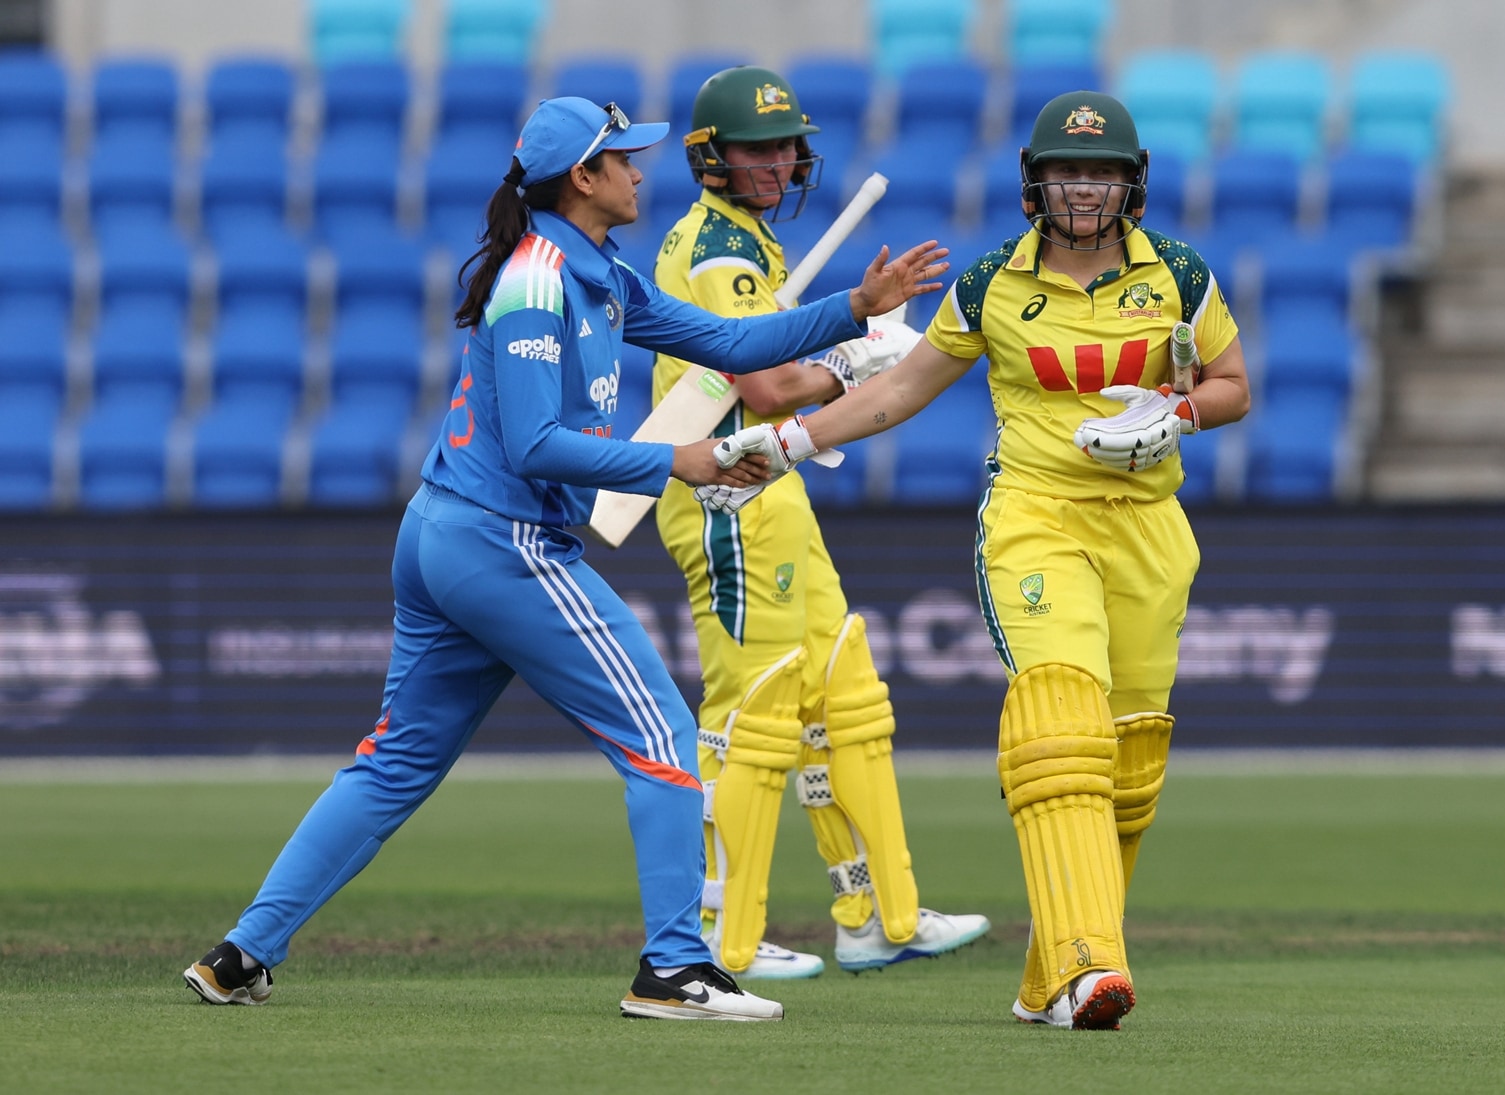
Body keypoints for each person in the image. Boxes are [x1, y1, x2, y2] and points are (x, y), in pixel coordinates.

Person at [180, 96, 948, 1022]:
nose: (639, 171)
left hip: (448, 533)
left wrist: (855, 308)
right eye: (623, 158)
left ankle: (240, 954)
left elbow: (731, 343)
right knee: (661, 738)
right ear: (582, 178)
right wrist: (678, 460)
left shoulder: (598, 270)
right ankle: (675, 969)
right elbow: (537, 444)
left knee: (392, 766)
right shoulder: (537, 284)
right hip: (501, 539)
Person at [697, 91, 1251, 1028]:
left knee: (1127, 760)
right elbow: (903, 389)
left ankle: (1047, 981)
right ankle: (1091, 968)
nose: (1085, 189)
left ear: (1132, 184)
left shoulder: (1181, 276)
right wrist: (788, 443)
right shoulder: (993, 281)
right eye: (1068, 173)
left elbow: (1235, 385)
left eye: (1102, 173)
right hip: (1037, 517)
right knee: (1060, 719)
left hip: (1151, 530)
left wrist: (1179, 413)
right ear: (1036, 183)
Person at [649, 65, 992, 980]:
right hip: (727, 490)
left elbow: (770, 374)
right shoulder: (718, 253)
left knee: (845, 695)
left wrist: (849, 335)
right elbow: (765, 387)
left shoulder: (744, 241)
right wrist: (856, 357)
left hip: (775, 482)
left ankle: (878, 913)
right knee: (751, 713)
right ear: (711, 158)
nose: (777, 164)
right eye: (756, 150)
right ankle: (719, 937)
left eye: (786, 148)